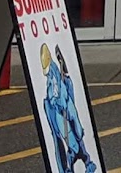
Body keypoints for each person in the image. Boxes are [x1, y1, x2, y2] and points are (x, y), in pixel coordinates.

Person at [40, 43, 97, 173]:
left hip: (64, 107)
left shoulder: (56, 75)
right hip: (61, 109)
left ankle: (81, 161)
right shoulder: (54, 78)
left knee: (73, 134)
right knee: (69, 136)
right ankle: (78, 162)